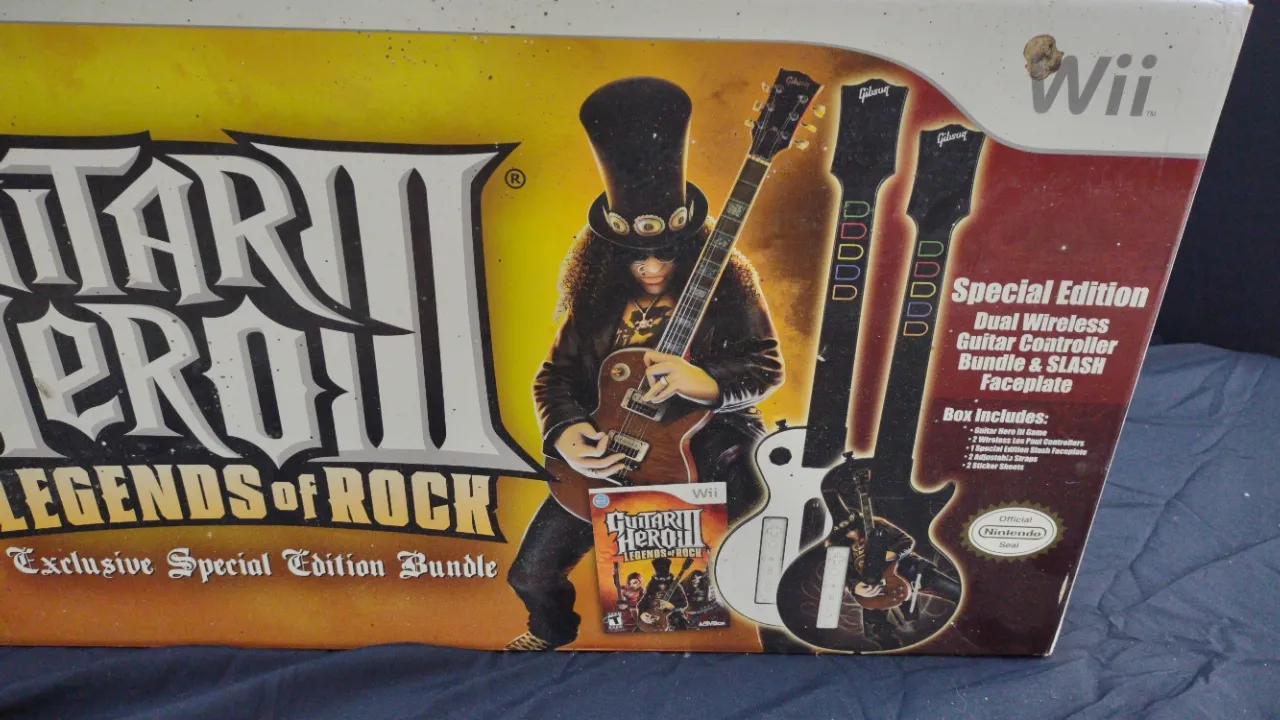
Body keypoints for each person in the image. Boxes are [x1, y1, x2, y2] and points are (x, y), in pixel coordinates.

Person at [504, 76, 783, 651]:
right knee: (529, 574)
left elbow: (765, 365)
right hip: (612, 452)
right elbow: (555, 377)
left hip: (712, 444)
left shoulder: (729, 287)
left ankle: (786, 649)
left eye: (665, 257)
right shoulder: (593, 301)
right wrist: (565, 431)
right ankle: (550, 633)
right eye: (637, 261)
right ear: (610, 256)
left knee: (766, 555)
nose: (652, 269)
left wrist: (705, 381)